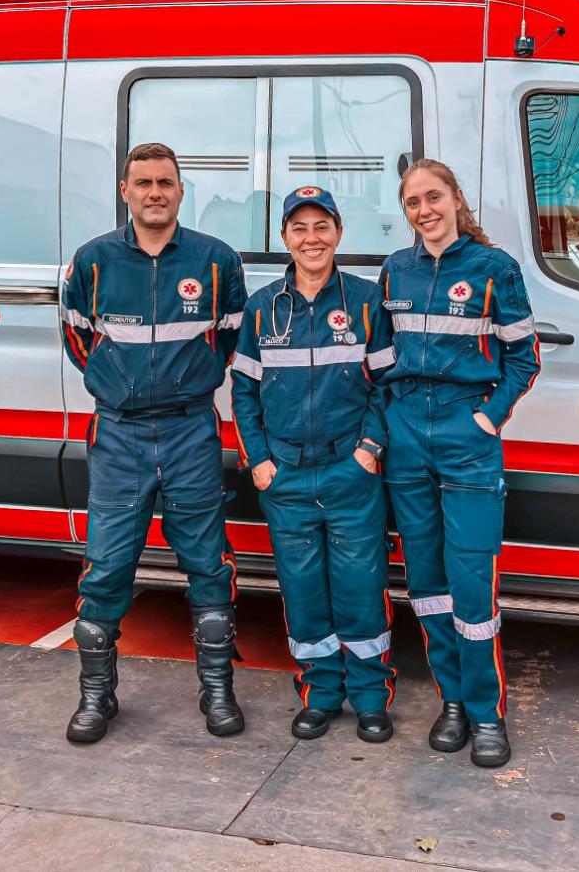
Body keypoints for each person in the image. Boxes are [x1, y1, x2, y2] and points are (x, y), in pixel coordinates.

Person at [59, 142, 248, 744]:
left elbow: (227, 341)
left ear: (181, 189)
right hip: (120, 433)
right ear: (125, 191)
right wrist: (120, 384)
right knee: (107, 565)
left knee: (207, 565)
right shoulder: (92, 262)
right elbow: (79, 338)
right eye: (142, 183)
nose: (154, 193)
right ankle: (96, 697)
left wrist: (183, 384)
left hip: (192, 429)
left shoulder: (217, 261)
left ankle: (217, 692)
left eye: (165, 182)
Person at [378, 159, 540, 768]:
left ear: (456, 198)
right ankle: (450, 701)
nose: (425, 210)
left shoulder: (494, 269)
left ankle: (486, 711)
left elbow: (524, 358)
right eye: (414, 201)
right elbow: (381, 357)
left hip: (466, 431)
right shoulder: (396, 269)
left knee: (472, 582)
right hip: (405, 437)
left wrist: (488, 418)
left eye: (434, 196)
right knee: (427, 585)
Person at [230, 187, 398, 742]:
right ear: (284, 238)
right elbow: (244, 392)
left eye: (321, 226)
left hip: (350, 474)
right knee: (302, 590)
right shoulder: (262, 308)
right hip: (286, 476)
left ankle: (371, 696)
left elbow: (385, 388)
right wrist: (258, 460)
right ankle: (322, 693)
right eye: (299, 228)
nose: (311, 238)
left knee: (359, 585)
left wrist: (368, 452)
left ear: (339, 233)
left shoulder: (367, 302)